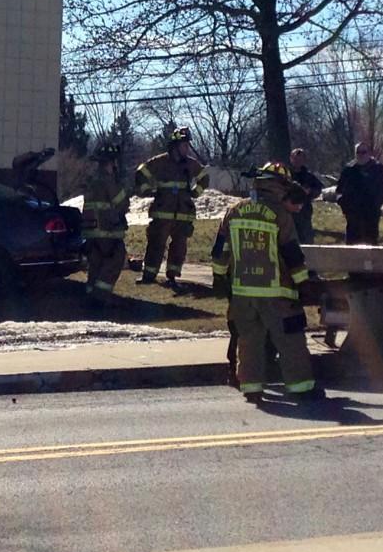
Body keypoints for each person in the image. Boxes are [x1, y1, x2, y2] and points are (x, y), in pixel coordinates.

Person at [211, 163, 321, 403]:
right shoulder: (280, 214)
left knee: (249, 341)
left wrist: (219, 277)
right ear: (279, 185)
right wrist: (304, 284)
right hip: (276, 293)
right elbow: (291, 253)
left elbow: (220, 250)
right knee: (290, 341)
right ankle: (301, 388)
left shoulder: (234, 210)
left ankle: (251, 388)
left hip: (242, 294)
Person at [135, 127, 209, 290]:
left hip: (183, 213)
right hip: (163, 212)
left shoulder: (191, 164)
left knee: (179, 246)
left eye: (187, 145)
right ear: (175, 146)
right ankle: (149, 275)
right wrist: (147, 190)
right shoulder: (160, 162)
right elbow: (141, 173)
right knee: (156, 243)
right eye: (184, 145)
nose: (186, 148)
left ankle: (173, 276)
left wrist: (195, 193)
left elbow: (205, 177)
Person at [81, 143, 129, 307]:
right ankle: (101, 296)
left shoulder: (92, 180)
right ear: (110, 163)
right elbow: (122, 203)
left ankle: (90, 294)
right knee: (115, 259)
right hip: (107, 231)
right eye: (113, 162)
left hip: (91, 231)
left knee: (96, 264)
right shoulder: (108, 181)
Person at [334, 142, 383, 245]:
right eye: (358, 152)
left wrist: (376, 202)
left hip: (371, 215)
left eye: (364, 152)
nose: (361, 155)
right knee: (352, 247)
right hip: (353, 215)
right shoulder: (348, 170)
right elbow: (339, 190)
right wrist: (343, 203)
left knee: (371, 248)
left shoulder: (378, 169)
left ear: (369, 153)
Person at [289, 148, 324, 244]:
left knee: (306, 240)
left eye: (300, 159)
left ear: (304, 160)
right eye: (295, 159)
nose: (297, 161)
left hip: (304, 212)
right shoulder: (286, 175)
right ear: (291, 159)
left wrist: (309, 192)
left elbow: (318, 189)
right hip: (288, 212)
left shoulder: (308, 176)